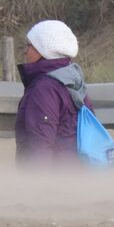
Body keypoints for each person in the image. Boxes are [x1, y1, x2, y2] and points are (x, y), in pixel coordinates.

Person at [14, 19, 93, 167]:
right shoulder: (74, 82)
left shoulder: (44, 89)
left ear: (43, 50)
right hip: (79, 174)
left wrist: (35, 184)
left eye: (30, 45)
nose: (26, 51)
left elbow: (40, 144)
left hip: (55, 180)